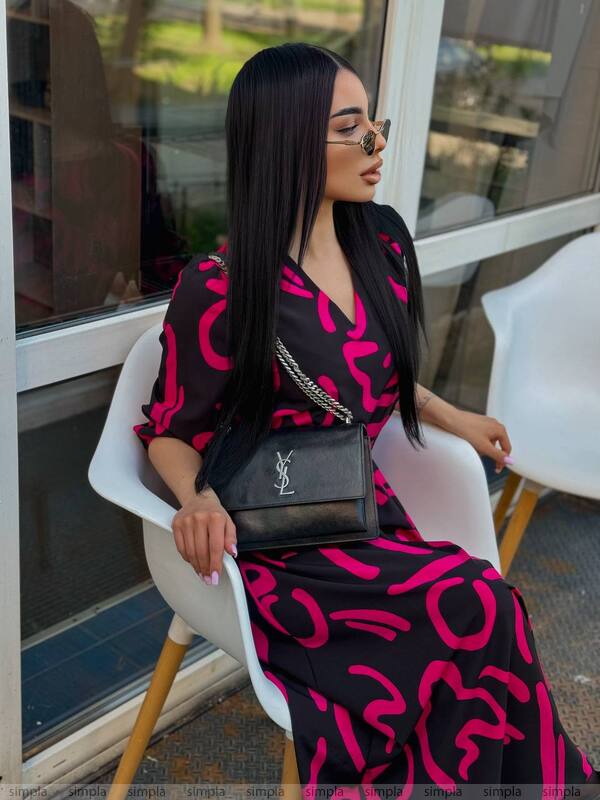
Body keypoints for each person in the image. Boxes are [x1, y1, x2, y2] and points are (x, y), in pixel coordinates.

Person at [133, 43, 599, 796]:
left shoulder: (381, 240)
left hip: (363, 506)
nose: (378, 143)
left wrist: (455, 416)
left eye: (372, 122)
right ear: (287, 140)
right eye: (351, 128)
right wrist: (198, 499)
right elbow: (169, 429)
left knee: (483, 611)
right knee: (478, 604)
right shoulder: (220, 288)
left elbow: (377, 378)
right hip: (283, 537)